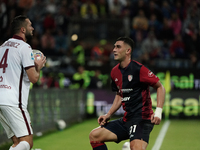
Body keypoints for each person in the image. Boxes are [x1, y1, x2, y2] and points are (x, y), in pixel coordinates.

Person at [89, 37, 165, 150]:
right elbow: (120, 95)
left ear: (128, 51)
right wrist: (108, 114)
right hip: (126, 120)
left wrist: (158, 111)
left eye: (118, 47)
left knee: (136, 147)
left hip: (142, 119)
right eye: (114, 47)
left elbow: (160, 87)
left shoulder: (138, 69)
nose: (114, 50)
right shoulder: (114, 72)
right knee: (94, 136)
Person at [0, 15, 46, 150]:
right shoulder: (24, 47)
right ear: (23, 29)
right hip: (13, 101)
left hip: (1, 98)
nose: (32, 28)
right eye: (30, 25)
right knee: (27, 143)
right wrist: (38, 66)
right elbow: (34, 79)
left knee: (17, 143)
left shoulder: (2, 47)